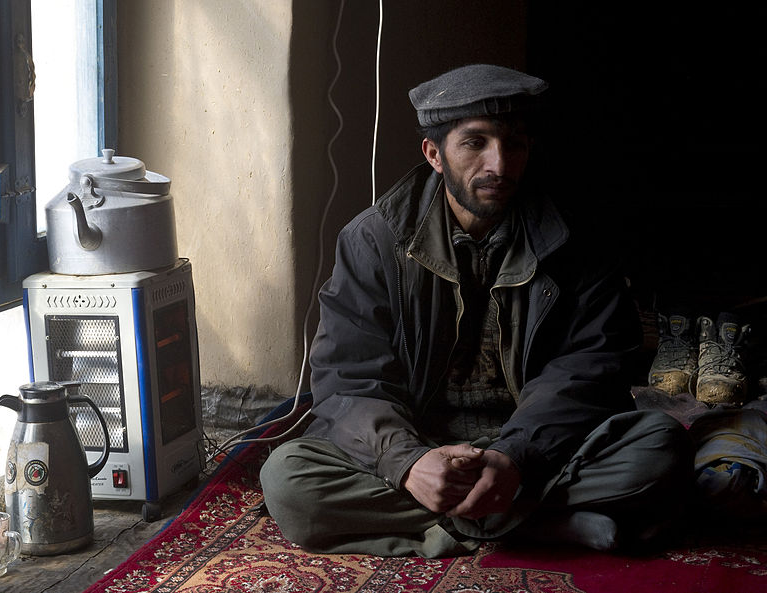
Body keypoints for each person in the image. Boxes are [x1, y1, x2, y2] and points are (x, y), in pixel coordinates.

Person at [260, 64, 695, 558]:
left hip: (536, 445)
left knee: (661, 448)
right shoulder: (374, 240)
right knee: (288, 478)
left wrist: (514, 457)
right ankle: (540, 525)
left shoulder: (576, 240)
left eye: (515, 144)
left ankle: (464, 525)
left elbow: (590, 368)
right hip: (418, 441)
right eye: (475, 143)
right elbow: (348, 376)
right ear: (435, 154)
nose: (500, 164)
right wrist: (408, 462)